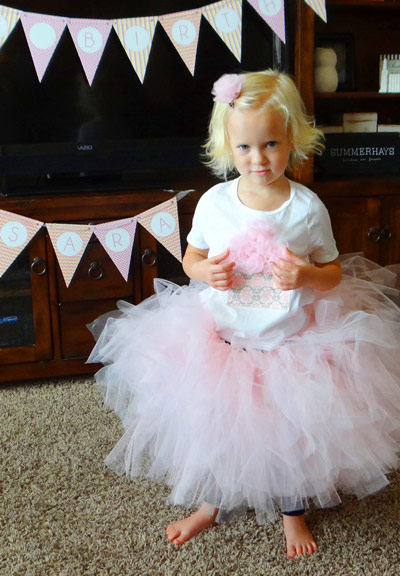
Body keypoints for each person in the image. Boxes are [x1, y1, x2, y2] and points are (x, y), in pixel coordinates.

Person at [88, 69, 400, 559]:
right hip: (222, 343)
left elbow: (333, 272)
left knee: (295, 437)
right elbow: (192, 258)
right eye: (245, 148)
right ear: (226, 146)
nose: (259, 159)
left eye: (271, 144)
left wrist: (306, 276)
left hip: (292, 348)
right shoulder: (214, 203)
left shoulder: (306, 208)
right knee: (219, 427)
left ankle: (292, 513)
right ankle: (211, 504)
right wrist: (204, 272)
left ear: (293, 139)